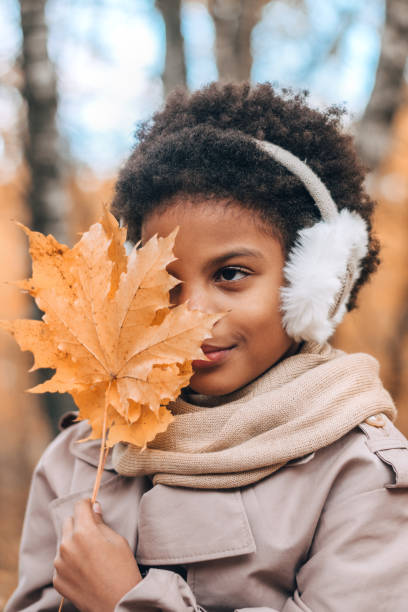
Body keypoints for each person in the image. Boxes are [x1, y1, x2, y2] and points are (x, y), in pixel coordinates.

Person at [6, 82, 408, 612]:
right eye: (165, 285)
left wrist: (125, 601)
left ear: (311, 280)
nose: (191, 316)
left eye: (231, 274)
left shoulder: (358, 473)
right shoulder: (83, 455)